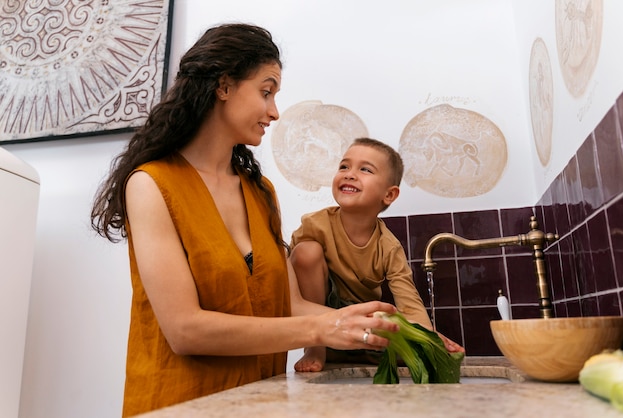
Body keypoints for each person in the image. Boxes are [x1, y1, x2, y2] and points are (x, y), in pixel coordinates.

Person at [90, 24, 399, 417]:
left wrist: (390, 326)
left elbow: (289, 305)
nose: (274, 111)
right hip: (178, 405)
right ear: (224, 86)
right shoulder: (150, 185)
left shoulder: (260, 191)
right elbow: (184, 330)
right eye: (266, 92)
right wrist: (322, 330)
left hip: (260, 404)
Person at [289, 137, 465, 372]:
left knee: (415, 355)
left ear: (389, 195)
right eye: (344, 166)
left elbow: (410, 304)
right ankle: (316, 348)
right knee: (305, 252)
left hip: (364, 324)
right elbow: (290, 277)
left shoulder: (389, 246)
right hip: (322, 319)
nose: (349, 174)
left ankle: (369, 353)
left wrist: (428, 337)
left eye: (365, 169)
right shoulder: (315, 224)